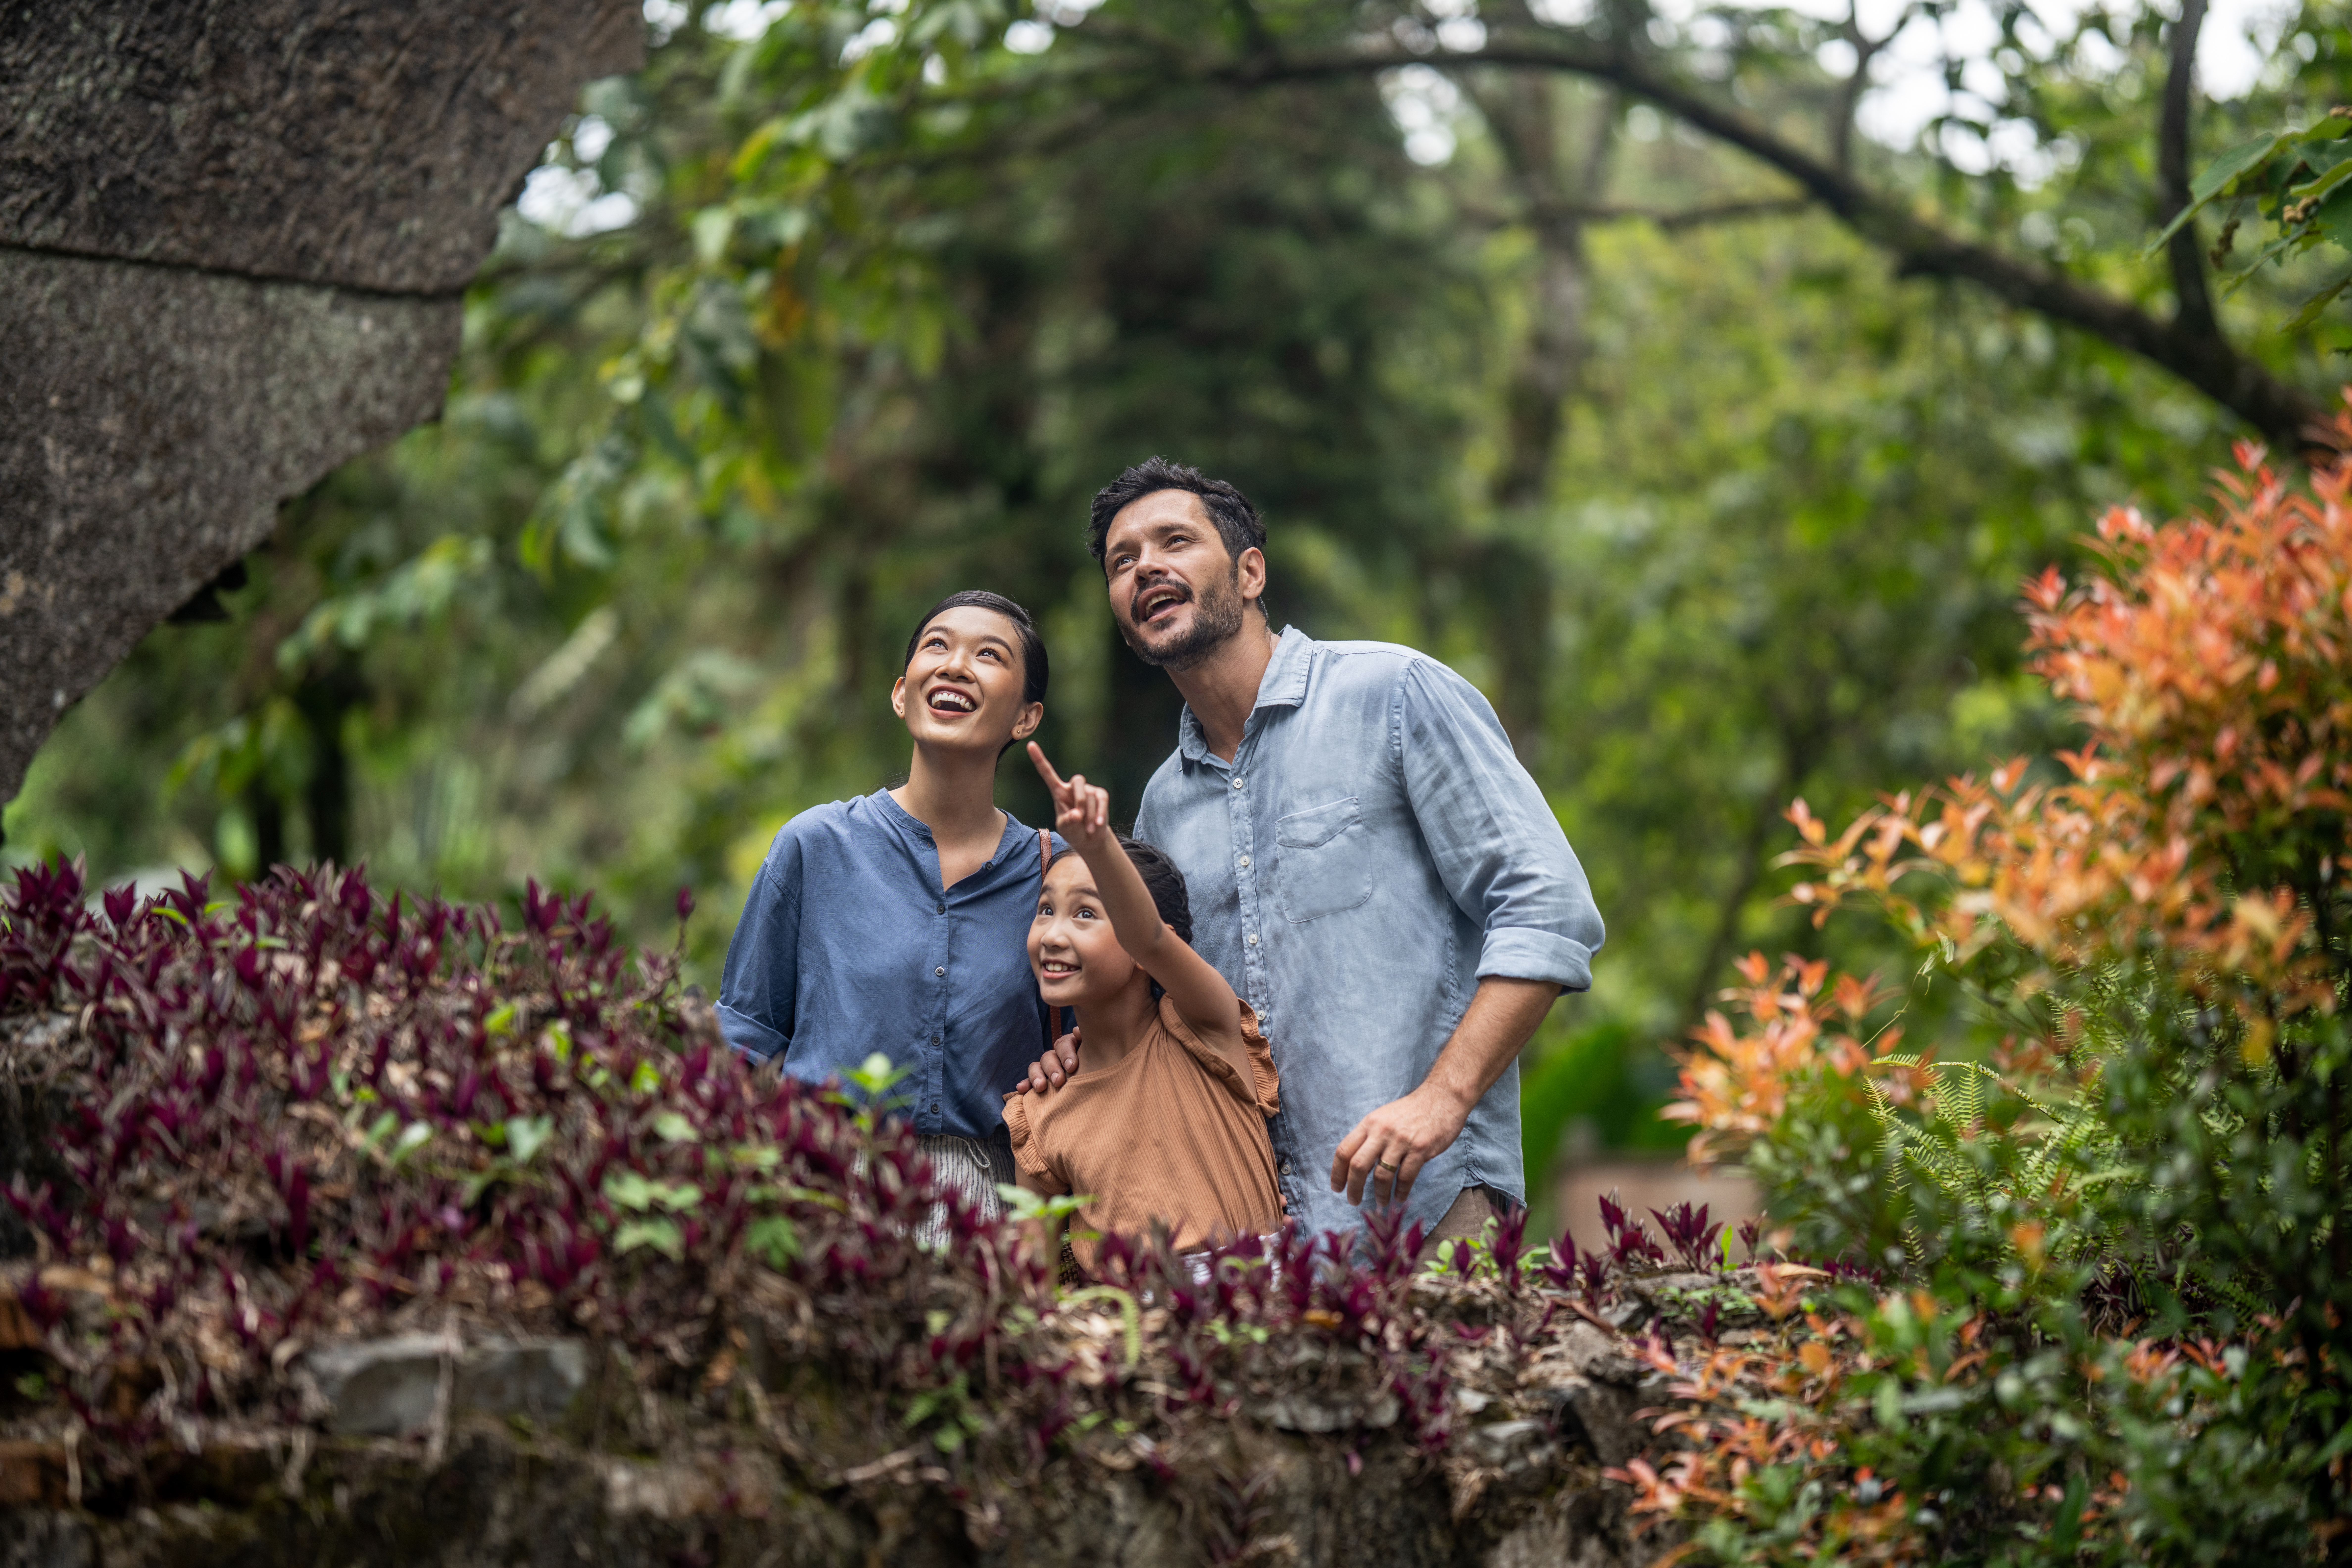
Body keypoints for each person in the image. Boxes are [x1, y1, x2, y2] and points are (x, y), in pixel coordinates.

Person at [1017, 458, 1604, 1248]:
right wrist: (1077, 1055)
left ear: (1251, 571)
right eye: (1123, 562)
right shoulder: (1163, 804)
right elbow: (1165, 999)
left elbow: (1548, 904)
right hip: (1267, 1243)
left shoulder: (1394, 695)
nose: (1146, 568)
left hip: (1435, 1208)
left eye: (1174, 542)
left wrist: (1443, 1098)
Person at [718, 590, 1060, 1218]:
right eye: (938, 646)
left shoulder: (1057, 872)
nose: (956, 665)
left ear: (1026, 718)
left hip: (991, 1203)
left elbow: (1116, 1035)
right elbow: (746, 1036)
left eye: (990, 655)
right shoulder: (815, 847)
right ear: (903, 693)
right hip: (821, 1182)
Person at [1001, 742, 1282, 1276]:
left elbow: (1150, 938)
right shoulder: (1041, 1111)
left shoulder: (1204, 1031)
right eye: (1045, 910)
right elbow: (1029, 1285)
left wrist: (1098, 844)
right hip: (1128, 1341)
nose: (1053, 935)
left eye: (1086, 913)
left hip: (1256, 1327)